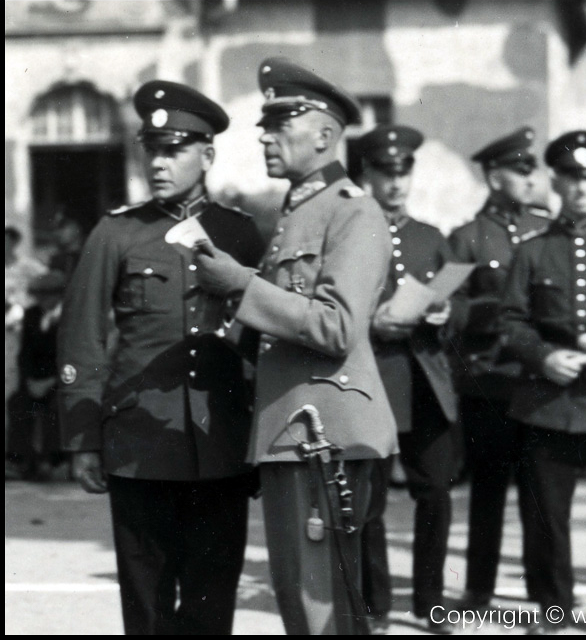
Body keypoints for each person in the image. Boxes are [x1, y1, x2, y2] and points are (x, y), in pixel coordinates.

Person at [193, 57, 396, 635]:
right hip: (295, 428)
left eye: (280, 122)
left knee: (321, 605)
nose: (263, 135)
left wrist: (243, 286)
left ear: (325, 135)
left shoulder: (352, 210)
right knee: (300, 599)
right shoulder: (300, 209)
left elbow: (336, 327)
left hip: (323, 431)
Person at [57, 81, 266, 634]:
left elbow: (263, 341)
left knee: (212, 601)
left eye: (174, 150)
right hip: (140, 447)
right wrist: (83, 439)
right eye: (152, 149)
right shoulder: (117, 233)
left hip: (221, 444)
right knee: (147, 606)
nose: (158, 162)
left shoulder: (241, 235)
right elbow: (81, 338)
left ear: (207, 155)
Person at [500, 131, 586, 628]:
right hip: (549, 400)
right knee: (545, 518)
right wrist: (543, 356)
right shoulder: (532, 250)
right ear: (555, 181)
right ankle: (553, 608)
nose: (583, 187)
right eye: (573, 177)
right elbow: (510, 322)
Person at [356, 124, 462, 631]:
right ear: (368, 175)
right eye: (385, 173)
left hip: (425, 384)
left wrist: (445, 313)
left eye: (403, 173)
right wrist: (375, 316)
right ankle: (375, 605)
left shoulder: (430, 237)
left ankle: (431, 601)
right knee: (370, 501)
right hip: (376, 378)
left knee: (435, 494)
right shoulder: (354, 232)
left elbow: (453, 299)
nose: (396, 183)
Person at [448, 126, 552, 608]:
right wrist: (495, 310)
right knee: (488, 492)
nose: (530, 178)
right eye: (520, 169)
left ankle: (540, 592)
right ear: (494, 177)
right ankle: (479, 588)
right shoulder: (468, 238)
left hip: (537, 379)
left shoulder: (545, 228)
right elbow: (451, 309)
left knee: (538, 495)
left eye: (532, 169)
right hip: (489, 380)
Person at [6, 271, 68, 480]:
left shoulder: (71, 316)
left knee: (55, 407)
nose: (42, 300)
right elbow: (25, 354)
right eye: (39, 295)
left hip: (61, 380)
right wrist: (30, 381)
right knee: (18, 402)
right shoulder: (32, 314)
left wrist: (52, 381)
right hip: (35, 379)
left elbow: (70, 355)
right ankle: (21, 460)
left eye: (47, 295)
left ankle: (51, 460)